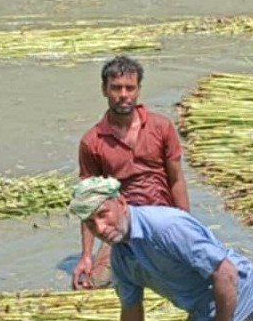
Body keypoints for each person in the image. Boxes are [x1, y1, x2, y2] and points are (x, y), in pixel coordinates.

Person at [70, 177, 253, 321]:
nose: (100, 228)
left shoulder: (166, 228)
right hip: (204, 314)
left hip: (239, 303)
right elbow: (131, 310)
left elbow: (226, 272)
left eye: (103, 214)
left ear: (121, 203)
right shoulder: (120, 258)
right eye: (90, 223)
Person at [73, 55, 190, 290]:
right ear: (104, 90)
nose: (123, 94)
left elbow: (176, 180)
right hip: (123, 227)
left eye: (130, 88)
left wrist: (186, 227)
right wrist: (86, 256)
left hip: (162, 220)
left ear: (138, 90)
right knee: (92, 286)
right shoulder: (92, 141)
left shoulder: (161, 127)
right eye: (116, 88)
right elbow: (89, 203)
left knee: (185, 278)